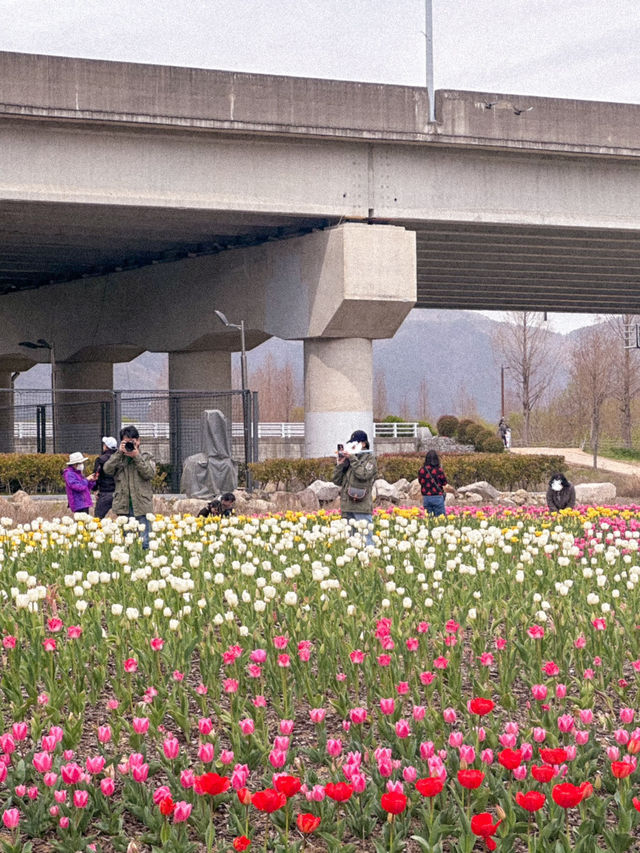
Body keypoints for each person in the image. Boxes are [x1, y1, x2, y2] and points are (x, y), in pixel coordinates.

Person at [103, 425, 156, 548]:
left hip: (142, 505)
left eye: (133, 441)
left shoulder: (146, 457)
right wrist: (119, 453)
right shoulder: (119, 458)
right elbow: (107, 469)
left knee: (145, 542)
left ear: (138, 441)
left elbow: (149, 473)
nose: (131, 445)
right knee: (128, 543)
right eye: (126, 442)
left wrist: (136, 456)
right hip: (124, 505)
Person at [332, 429, 377, 546]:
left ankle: (369, 561)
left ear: (363, 444)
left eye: (355, 443)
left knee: (366, 540)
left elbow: (363, 474)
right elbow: (337, 480)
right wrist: (340, 464)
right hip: (347, 506)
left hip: (361, 506)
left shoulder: (369, 459)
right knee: (351, 542)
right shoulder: (350, 460)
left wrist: (352, 458)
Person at [418, 449, 450, 517]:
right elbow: (444, 482)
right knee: (440, 519)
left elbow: (420, 481)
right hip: (437, 496)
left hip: (426, 497)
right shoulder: (439, 470)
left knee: (429, 520)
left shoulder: (422, 470)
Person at [92, 436, 118, 519]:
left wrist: (95, 489)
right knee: (124, 520)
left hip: (105, 492)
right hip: (119, 493)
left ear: (106, 447)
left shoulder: (101, 459)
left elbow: (96, 475)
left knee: (98, 518)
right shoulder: (120, 458)